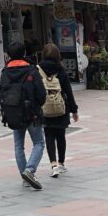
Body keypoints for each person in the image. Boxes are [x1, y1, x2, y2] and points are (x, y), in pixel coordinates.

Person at [0, 43, 47, 190]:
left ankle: (25, 178)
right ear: (24, 53)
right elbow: (41, 95)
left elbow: (1, 94)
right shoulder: (31, 70)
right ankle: (30, 170)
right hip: (32, 113)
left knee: (19, 145)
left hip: (13, 113)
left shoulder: (5, 72)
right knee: (39, 143)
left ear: (9, 55)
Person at [39, 43, 79, 177]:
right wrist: (74, 110)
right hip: (61, 107)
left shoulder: (38, 69)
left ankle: (53, 164)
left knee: (49, 135)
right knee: (61, 135)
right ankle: (61, 163)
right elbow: (68, 90)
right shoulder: (60, 70)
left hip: (45, 108)